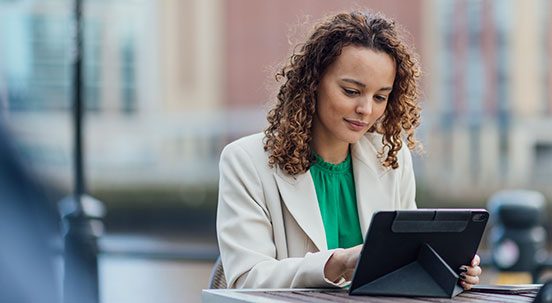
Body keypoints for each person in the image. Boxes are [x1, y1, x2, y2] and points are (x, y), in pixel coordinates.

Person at [217, 10, 482, 289]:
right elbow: (246, 280)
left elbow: (406, 263)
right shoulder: (245, 161)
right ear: (314, 82)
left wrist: (445, 270)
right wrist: (337, 263)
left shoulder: (391, 157)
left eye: (380, 97)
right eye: (351, 91)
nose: (366, 110)